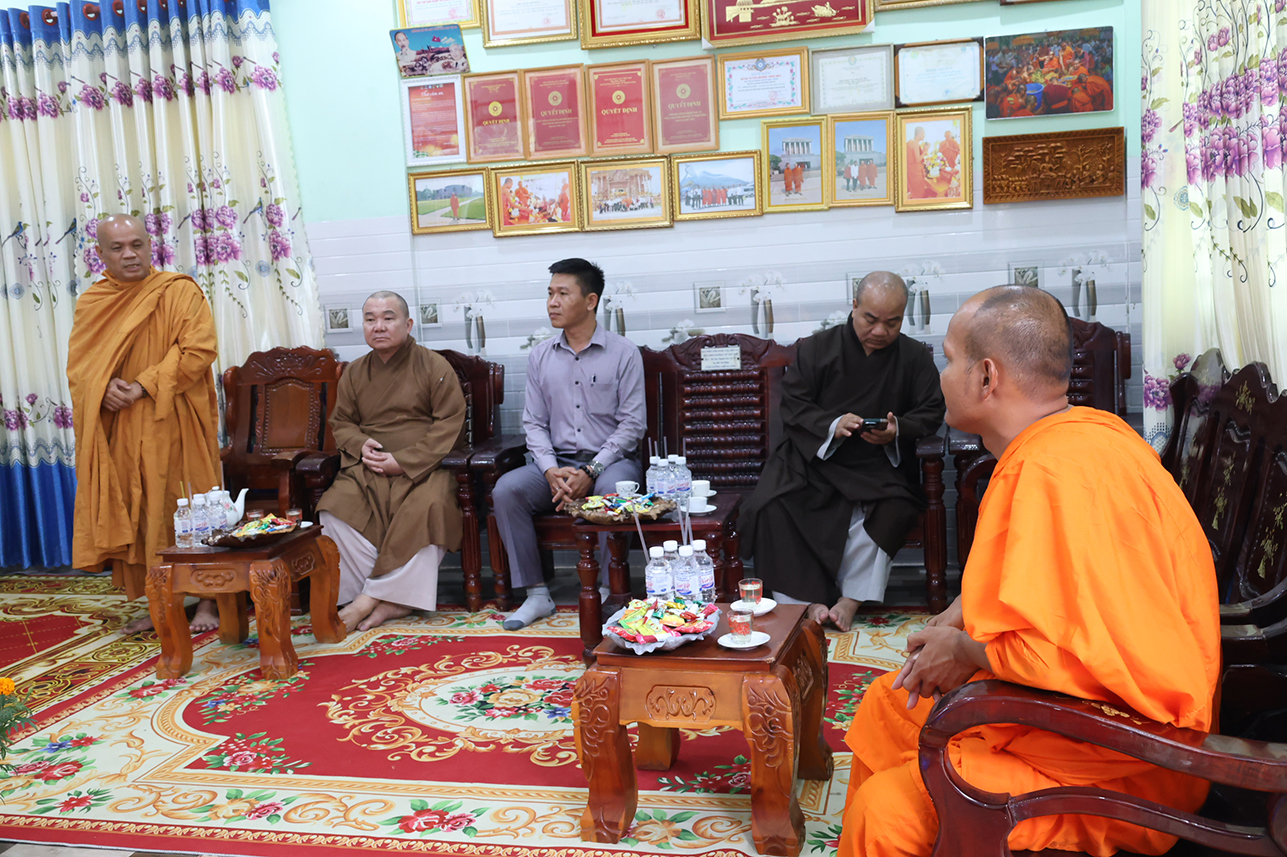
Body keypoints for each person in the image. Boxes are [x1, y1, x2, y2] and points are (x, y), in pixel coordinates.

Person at [838, 286, 1219, 857]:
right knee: (886, 704)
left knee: (887, 813)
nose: (941, 375)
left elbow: (1058, 656)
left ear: (986, 377)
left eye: (949, 359)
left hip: (1128, 756)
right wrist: (960, 615)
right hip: (1079, 721)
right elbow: (1061, 591)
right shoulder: (1088, 430)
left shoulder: (1047, 469)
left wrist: (962, 650)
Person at [739, 273, 945, 632]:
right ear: (854, 306)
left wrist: (897, 430)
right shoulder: (816, 348)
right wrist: (832, 425)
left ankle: (850, 600)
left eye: (892, 322)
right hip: (814, 460)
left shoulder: (913, 356)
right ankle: (805, 603)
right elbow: (794, 405)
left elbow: (932, 411)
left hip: (878, 464)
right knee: (772, 505)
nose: (880, 331)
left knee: (895, 507)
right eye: (871, 319)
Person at [67, 214, 222, 634]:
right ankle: (161, 602)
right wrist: (103, 389)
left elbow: (197, 350)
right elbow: (82, 369)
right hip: (123, 427)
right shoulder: (94, 302)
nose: (130, 254)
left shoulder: (179, 291)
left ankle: (209, 600)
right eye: (117, 248)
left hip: (176, 420)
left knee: (193, 506)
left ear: (150, 245)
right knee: (141, 515)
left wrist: (142, 385)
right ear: (100, 254)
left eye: (136, 244)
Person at [491, 259, 645, 631]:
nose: (552, 303)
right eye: (550, 293)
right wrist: (549, 470)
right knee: (507, 490)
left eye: (563, 293)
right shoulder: (540, 356)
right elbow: (534, 423)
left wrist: (592, 470)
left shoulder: (624, 353)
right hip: (556, 464)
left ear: (591, 301)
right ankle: (536, 594)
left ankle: (608, 592)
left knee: (613, 490)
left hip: (611, 463)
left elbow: (632, 425)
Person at [316, 291, 467, 632]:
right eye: (370, 319)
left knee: (432, 506)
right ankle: (391, 598)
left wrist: (404, 461)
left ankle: (371, 600)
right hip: (368, 468)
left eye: (388, 318)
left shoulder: (434, 366)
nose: (378, 326)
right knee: (333, 509)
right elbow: (341, 422)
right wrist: (360, 445)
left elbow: (450, 424)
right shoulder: (355, 372)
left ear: (408, 324)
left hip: (424, 467)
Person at [905, 128, 932, 198]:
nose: (924, 136)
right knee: (919, 192)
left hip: (911, 170)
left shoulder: (910, 142)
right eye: (923, 134)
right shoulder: (915, 143)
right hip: (915, 172)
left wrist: (923, 150)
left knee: (914, 190)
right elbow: (917, 160)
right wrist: (925, 150)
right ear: (920, 134)